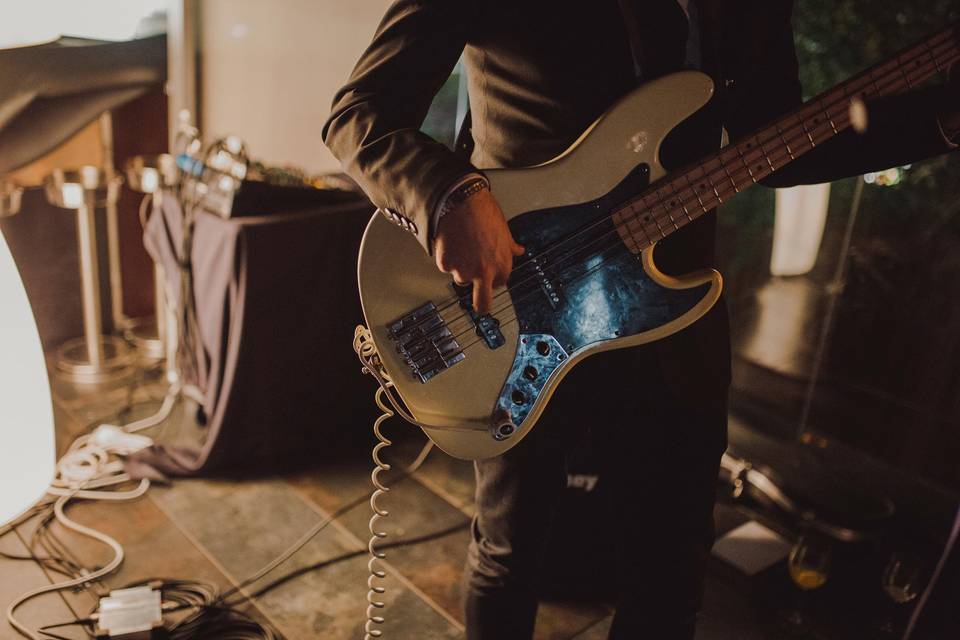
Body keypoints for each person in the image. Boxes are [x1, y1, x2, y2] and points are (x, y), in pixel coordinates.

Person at [323, 1, 959, 638]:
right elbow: (359, 112)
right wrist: (447, 196)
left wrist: (940, 123)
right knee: (509, 556)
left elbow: (782, 142)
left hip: (672, 309)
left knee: (672, 576)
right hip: (515, 301)